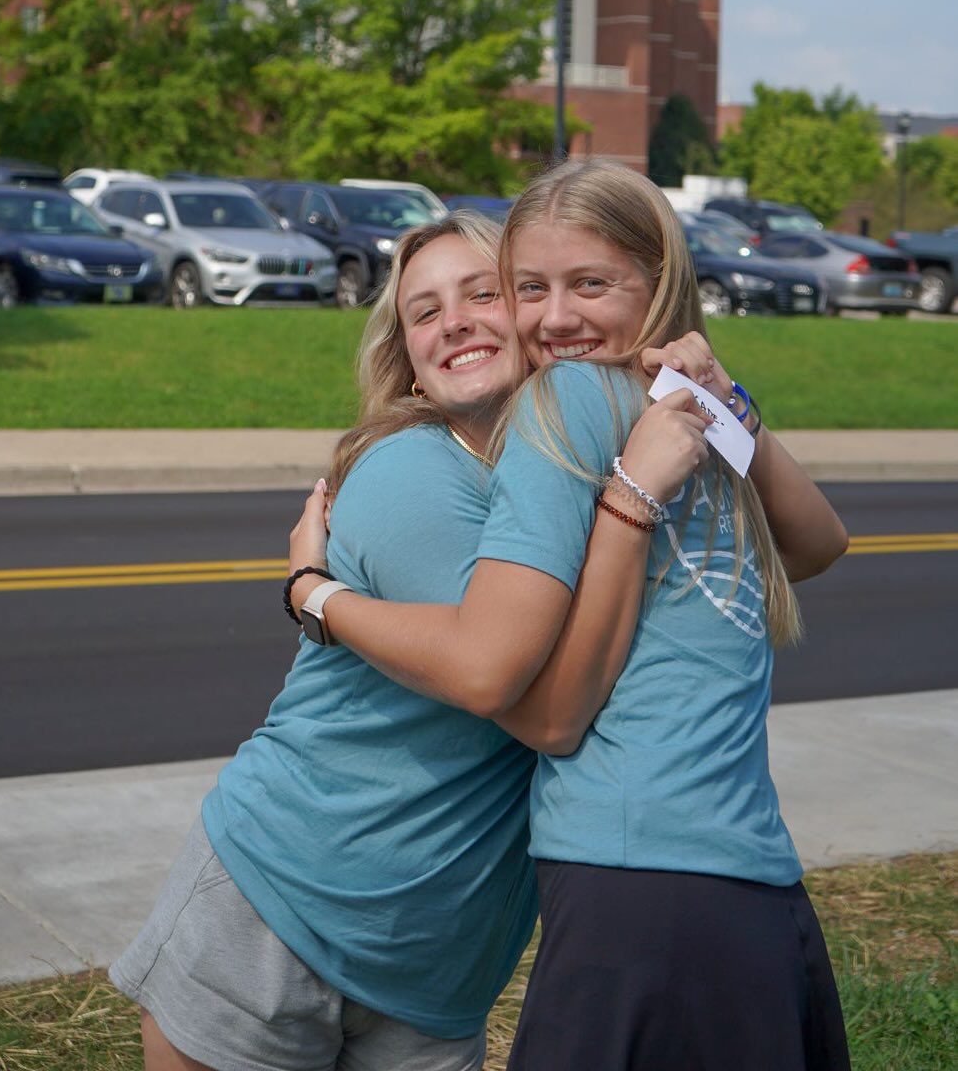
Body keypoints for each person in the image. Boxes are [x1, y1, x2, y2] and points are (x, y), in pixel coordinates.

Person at [111, 207, 709, 1071]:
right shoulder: (410, 473)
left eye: (481, 294)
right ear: (412, 364)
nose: (453, 321)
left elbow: (806, 542)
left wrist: (698, 381)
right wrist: (312, 592)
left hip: (438, 966)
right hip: (282, 908)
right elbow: (524, 700)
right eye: (424, 312)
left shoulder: (571, 468)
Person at [287, 159, 851, 1071]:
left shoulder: (572, 399)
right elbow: (821, 546)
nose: (555, 319)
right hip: (756, 885)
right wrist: (718, 403)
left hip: (636, 876)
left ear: (657, 281)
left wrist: (315, 594)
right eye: (530, 289)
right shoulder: (677, 410)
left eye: (590, 284)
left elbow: (540, 710)